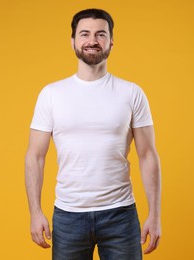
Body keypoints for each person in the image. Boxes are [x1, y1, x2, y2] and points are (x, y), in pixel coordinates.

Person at [25, 8, 161, 260]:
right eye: (84, 34)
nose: (92, 40)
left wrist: (155, 214)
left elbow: (148, 155)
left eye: (101, 34)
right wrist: (35, 212)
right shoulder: (51, 94)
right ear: (73, 41)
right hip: (68, 216)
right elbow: (35, 156)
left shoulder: (131, 93)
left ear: (111, 41)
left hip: (120, 214)